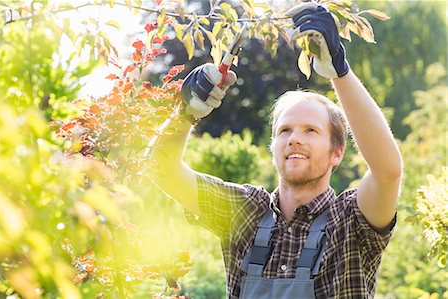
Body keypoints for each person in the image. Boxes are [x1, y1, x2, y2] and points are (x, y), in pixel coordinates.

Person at [149, 3, 402, 298]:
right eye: (285, 130)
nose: (294, 139)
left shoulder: (350, 221)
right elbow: (160, 168)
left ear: (337, 153)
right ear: (273, 147)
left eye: (311, 130)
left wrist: (339, 72)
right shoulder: (245, 213)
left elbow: (388, 172)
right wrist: (184, 115)